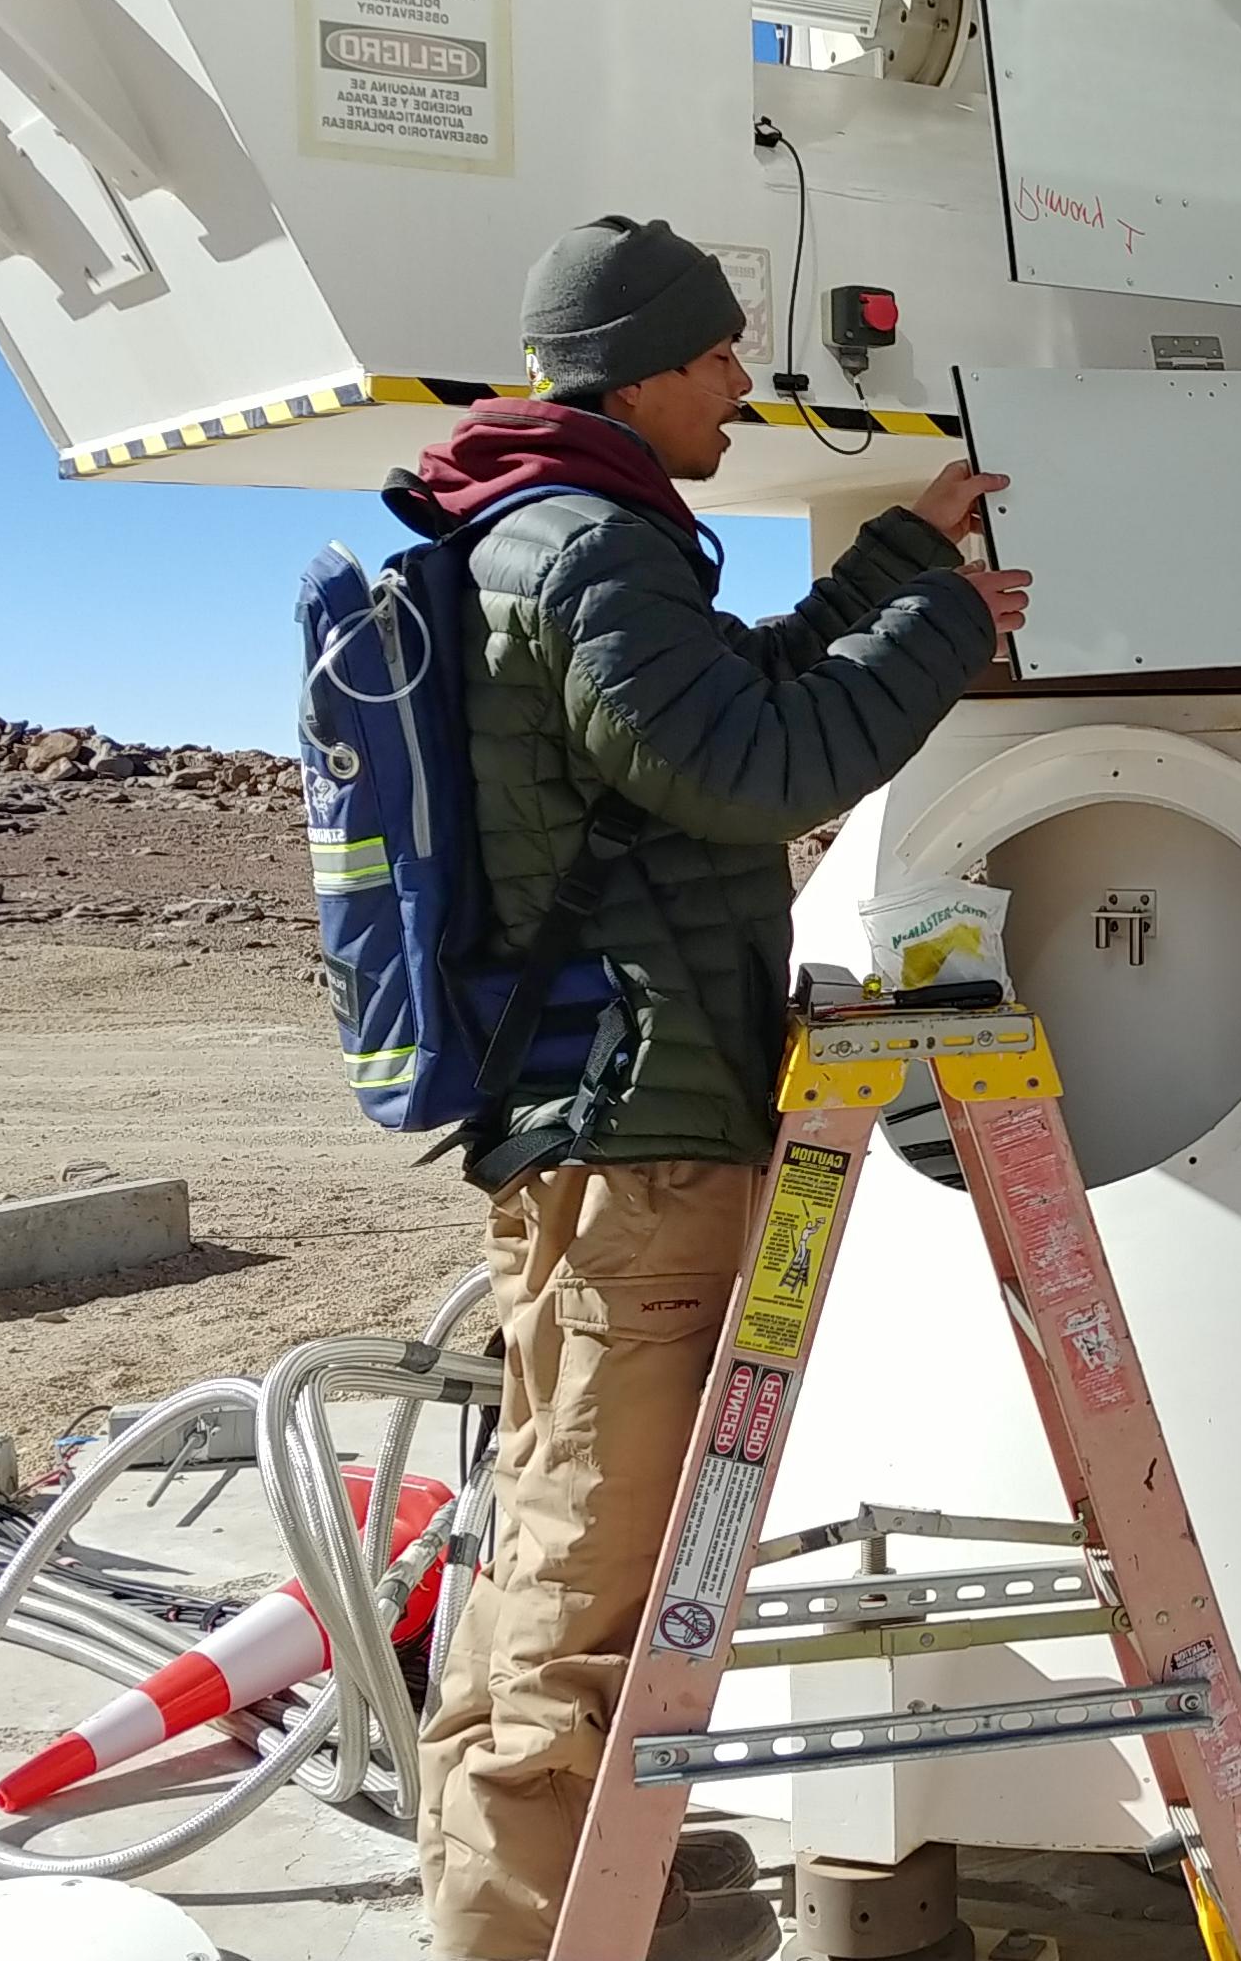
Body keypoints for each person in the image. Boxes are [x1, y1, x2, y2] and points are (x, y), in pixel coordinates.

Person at [406, 216, 1030, 1961]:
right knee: (589, 1590)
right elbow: (755, 767)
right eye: (719, 362)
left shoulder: (560, 535)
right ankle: (528, 1935)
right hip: (641, 1131)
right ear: (649, 365)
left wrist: (904, 559)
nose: (739, 392)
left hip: (604, 1122)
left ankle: (560, 1900)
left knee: (558, 1539)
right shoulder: (591, 546)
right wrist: (942, 638)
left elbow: (710, 701)